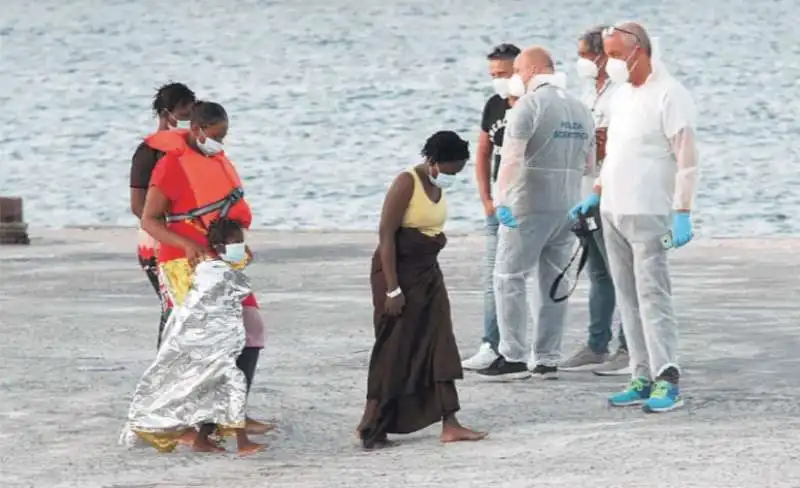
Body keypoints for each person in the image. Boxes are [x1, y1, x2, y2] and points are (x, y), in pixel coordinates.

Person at [570, 22, 698, 413]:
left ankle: (668, 377)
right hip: (613, 211)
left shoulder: (670, 94)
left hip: (650, 211)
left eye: (612, 54)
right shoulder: (623, 96)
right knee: (626, 297)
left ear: (637, 50)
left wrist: (682, 212)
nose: (607, 64)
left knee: (653, 295)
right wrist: (595, 194)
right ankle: (640, 374)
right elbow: (616, 153)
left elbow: (687, 160)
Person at [139, 101, 272, 434]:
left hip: (219, 260)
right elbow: (149, 220)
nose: (221, 143)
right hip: (183, 264)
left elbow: (225, 215)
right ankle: (195, 427)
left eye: (225, 136)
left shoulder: (217, 161)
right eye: (216, 136)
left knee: (252, 329)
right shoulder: (171, 167)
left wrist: (239, 245)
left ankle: (233, 413)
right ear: (196, 131)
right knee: (204, 342)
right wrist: (186, 244)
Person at [356, 131, 487, 449]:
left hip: (428, 272)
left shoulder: (438, 184)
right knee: (395, 348)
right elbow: (386, 236)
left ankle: (450, 423)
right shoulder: (407, 182)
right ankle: (372, 424)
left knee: (439, 342)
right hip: (397, 273)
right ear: (432, 161)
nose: (453, 176)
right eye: (450, 170)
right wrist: (392, 289)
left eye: (458, 171)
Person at [475, 47, 595, 381]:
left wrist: (500, 200)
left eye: (516, 71)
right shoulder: (581, 108)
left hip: (528, 203)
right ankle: (546, 358)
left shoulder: (529, 105)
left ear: (529, 71)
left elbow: (511, 158)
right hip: (568, 204)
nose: (514, 78)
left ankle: (512, 355)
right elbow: (589, 164)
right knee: (554, 281)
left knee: (509, 277)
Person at [120, 218, 264, 454]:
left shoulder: (207, 268)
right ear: (218, 247)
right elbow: (239, 287)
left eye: (241, 242)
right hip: (215, 347)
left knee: (218, 390)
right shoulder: (215, 272)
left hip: (219, 346)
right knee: (232, 386)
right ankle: (239, 442)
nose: (240, 246)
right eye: (235, 242)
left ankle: (209, 440)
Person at [559, 26, 630, 376]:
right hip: (585, 192)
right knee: (598, 272)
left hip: (612, 191)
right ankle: (597, 344)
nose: (582, 62)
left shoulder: (622, 92)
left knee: (621, 271)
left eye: (586, 55)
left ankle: (629, 347)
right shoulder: (590, 92)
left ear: (601, 55)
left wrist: (605, 143)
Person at [462, 43, 522, 371]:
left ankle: (522, 348)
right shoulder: (494, 105)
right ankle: (490, 342)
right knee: (493, 276)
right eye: (493, 75)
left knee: (523, 279)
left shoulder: (533, 104)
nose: (498, 80)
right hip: (498, 204)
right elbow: (483, 151)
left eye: (504, 74)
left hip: (529, 204)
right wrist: (485, 199)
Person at [130, 82, 196, 349]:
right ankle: (165, 370)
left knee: (184, 307)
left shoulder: (189, 148)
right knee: (172, 307)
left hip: (185, 240)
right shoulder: (149, 151)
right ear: (169, 113)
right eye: (184, 113)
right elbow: (138, 206)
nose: (189, 120)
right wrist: (169, 228)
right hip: (156, 242)